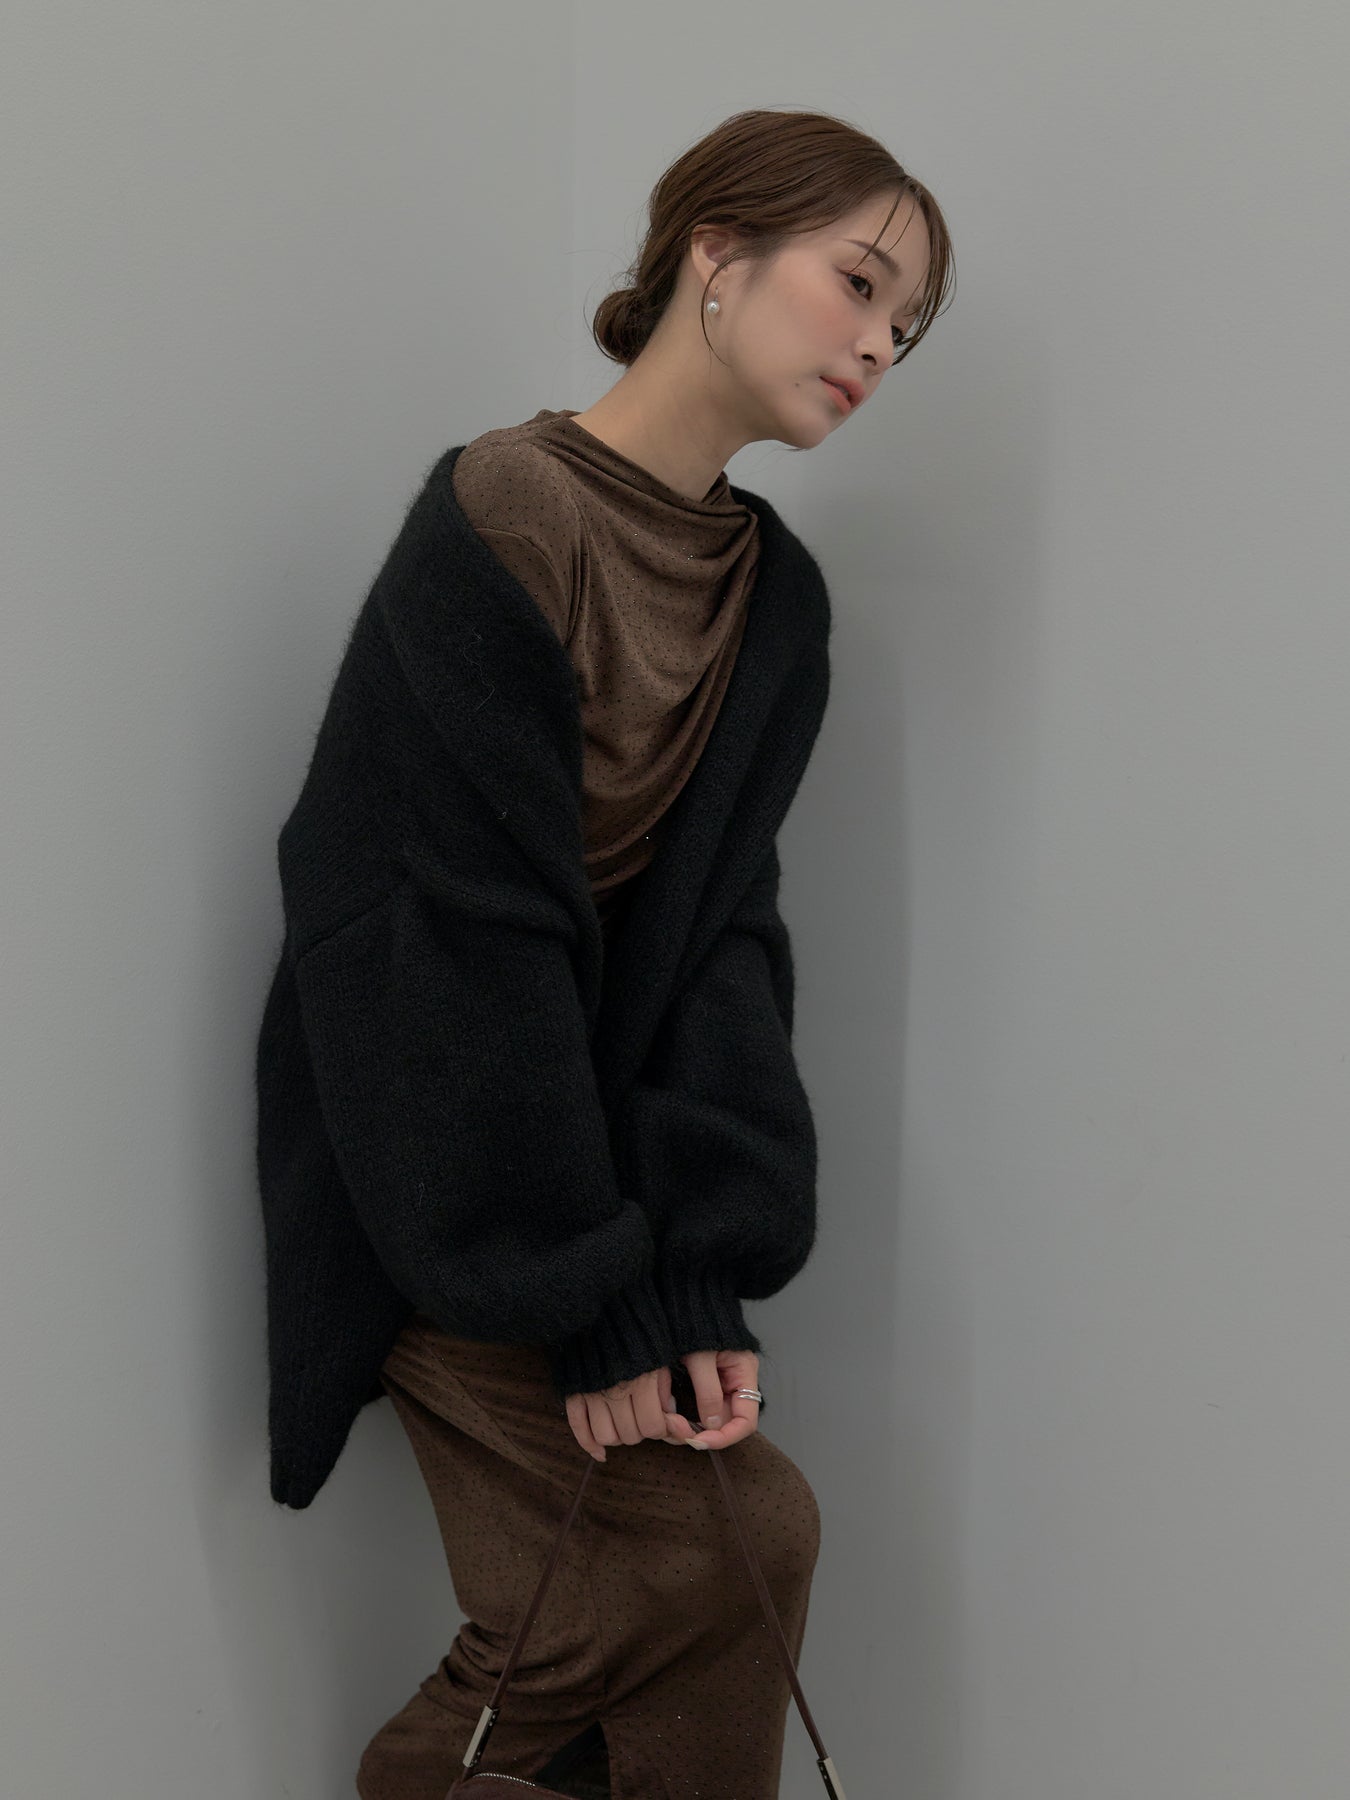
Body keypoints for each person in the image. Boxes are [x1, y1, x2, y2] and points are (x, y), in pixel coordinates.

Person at [254, 106, 952, 1800]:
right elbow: (439, 933)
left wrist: (695, 1262)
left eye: (908, 327)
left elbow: (714, 944)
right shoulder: (508, 510)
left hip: (593, 1187)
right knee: (700, 1552)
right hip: (432, 1154)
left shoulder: (771, 596)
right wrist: (585, 1295)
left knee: (721, 1556)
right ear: (716, 253)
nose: (878, 345)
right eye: (859, 283)